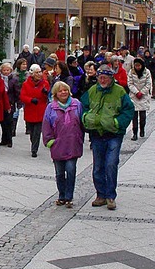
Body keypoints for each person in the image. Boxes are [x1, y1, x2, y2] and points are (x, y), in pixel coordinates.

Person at [80, 64, 134, 210]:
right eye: (100, 77)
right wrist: (85, 117)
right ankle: (100, 195)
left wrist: (117, 122)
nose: (102, 80)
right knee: (98, 166)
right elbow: (83, 106)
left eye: (105, 77)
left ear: (111, 78)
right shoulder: (92, 90)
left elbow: (129, 110)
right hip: (97, 134)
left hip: (114, 134)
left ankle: (110, 196)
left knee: (111, 164)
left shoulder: (120, 92)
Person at [42, 81, 85, 208]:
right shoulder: (51, 107)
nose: (63, 92)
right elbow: (46, 125)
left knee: (71, 170)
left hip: (73, 143)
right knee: (59, 172)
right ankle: (61, 195)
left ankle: (68, 196)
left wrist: (81, 138)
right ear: (55, 93)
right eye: (60, 91)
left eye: (65, 90)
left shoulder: (77, 104)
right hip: (58, 145)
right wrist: (49, 140)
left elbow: (83, 122)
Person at [20, 64, 50, 158]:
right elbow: (22, 96)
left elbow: (49, 96)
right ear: (32, 74)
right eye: (37, 72)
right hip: (30, 110)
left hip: (40, 110)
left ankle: (34, 149)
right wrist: (30, 100)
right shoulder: (26, 84)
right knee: (31, 131)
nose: (39, 74)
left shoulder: (45, 83)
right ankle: (33, 144)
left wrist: (46, 93)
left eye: (40, 72)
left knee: (37, 131)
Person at [127, 57, 151, 141]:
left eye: (139, 65)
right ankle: (134, 133)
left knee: (142, 116)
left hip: (143, 96)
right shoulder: (131, 72)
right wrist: (136, 92)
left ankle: (142, 129)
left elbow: (148, 84)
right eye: (136, 65)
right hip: (134, 96)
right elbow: (130, 83)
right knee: (134, 117)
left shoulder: (147, 72)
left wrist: (142, 92)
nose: (137, 67)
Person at [0, 62, 19, 147]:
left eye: (8, 70)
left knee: (9, 122)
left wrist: (18, 102)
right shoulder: (0, 79)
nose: (6, 72)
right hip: (1, 103)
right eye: (4, 70)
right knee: (2, 122)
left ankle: (9, 140)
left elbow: (17, 92)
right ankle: (4, 139)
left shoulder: (14, 80)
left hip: (10, 102)